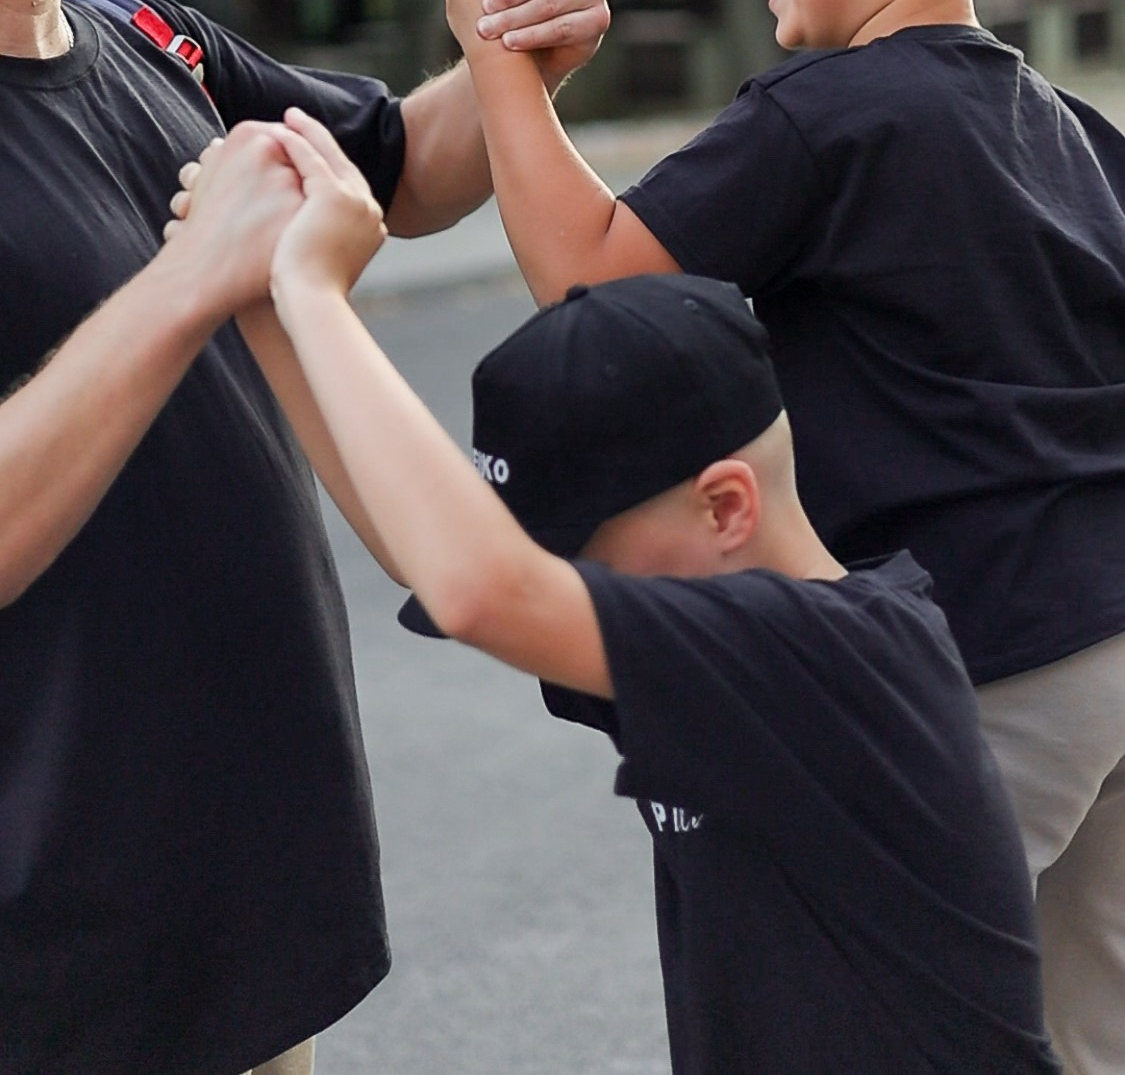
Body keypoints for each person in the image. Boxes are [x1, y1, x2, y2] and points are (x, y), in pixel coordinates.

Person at [440, 0, 1125, 1075]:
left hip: (984, 651)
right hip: (1111, 638)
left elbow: (592, 288)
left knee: (856, 1022)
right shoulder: (1080, 132)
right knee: (1079, 1033)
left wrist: (498, 63)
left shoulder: (832, 109)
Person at [0, 0, 609, 1075]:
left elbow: (399, 172)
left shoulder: (148, 38)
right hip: (52, 963)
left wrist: (507, 53)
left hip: (227, 914)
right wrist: (187, 283)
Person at [168, 110, 1061, 1075]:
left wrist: (313, 288)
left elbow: (481, 589)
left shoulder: (836, 657)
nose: (562, 588)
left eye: (576, 554)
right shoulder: (727, 634)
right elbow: (442, 560)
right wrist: (258, 297)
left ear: (725, 507)